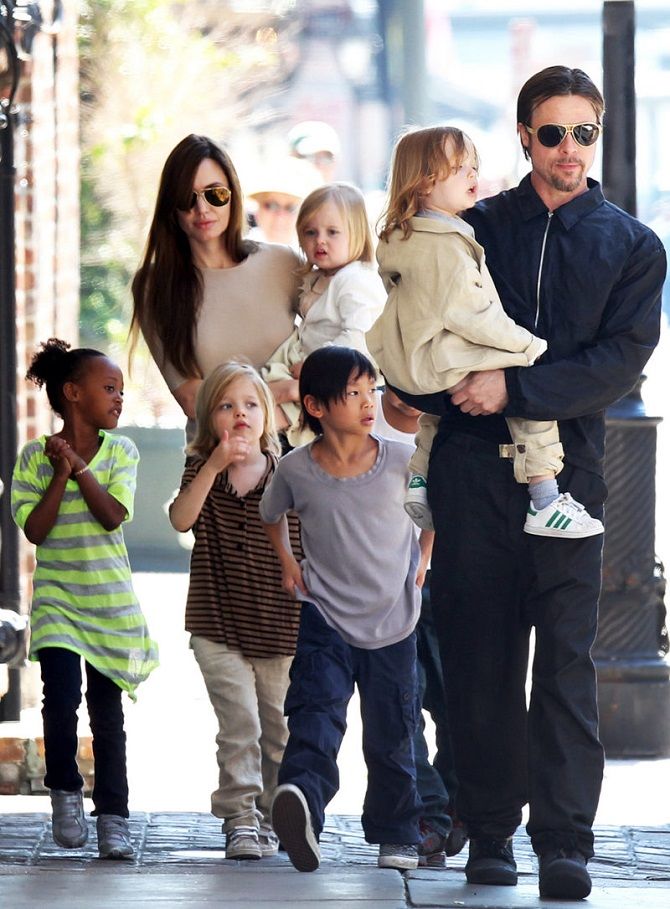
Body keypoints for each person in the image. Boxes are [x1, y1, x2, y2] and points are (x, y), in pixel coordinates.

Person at [388, 66, 666, 900]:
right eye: (553, 133)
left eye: (585, 133)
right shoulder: (476, 228)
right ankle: (491, 833)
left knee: (567, 668)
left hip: (570, 479)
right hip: (473, 475)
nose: (570, 150)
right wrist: (432, 394)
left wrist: (518, 389)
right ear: (524, 137)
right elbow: (422, 320)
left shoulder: (633, 245)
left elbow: (619, 364)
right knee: (480, 662)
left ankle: (564, 841)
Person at [368, 125, 603, 541]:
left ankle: (420, 477)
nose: (473, 176)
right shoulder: (443, 246)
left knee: (437, 412)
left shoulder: (407, 237)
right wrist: (527, 345)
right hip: (435, 358)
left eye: (474, 166)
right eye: (459, 169)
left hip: (412, 357)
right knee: (527, 384)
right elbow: (472, 313)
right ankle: (546, 497)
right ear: (424, 182)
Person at [259, 346, 432, 873]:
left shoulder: (403, 460)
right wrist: (289, 564)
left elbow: (432, 513)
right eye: (353, 393)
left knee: (392, 733)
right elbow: (271, 513)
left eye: (370, 391)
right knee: (314, 714)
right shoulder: (295, 470)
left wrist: (423, 560)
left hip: (394, 620)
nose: (367, 402)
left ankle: (397, 833)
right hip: (324, 616)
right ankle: (302, 806)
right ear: (315, 405)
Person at [10, 339, 159, 859]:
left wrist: (79, 466)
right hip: (57, 604)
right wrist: (59, 471)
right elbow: (36, 530)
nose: (119, 398)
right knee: (60, 700)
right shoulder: (33, 457)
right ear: (73, 393)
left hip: (108, 604)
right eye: (109, 388)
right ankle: (65, 793)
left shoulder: (123, 452)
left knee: (107, 712)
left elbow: (112, 515)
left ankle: (113, 816)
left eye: (121, 389)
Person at [169, 361, 302, 861]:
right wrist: (214, 464)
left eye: (250, 404)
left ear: (267, 415)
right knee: (240, 725)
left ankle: (273, 816)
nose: (239, 414)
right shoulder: (200, 467)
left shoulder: (288, 470)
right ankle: (240, 818)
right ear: (209, 419)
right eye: (226, 405)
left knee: (279, 731)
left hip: (278, 622)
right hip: (216, 622)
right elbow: (182, 518)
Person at [129, 134, 303, 446]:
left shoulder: (283, 263)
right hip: (215, 458)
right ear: (172, 208)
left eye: (215, 194)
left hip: (296, 451)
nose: (202, 209)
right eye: (187, 198)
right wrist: (285, 391)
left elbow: (333, 340)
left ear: (233, 195)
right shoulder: (155, 285)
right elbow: (190, 397)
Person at [374, 388, 467, 868]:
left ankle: (455, 802)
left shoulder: (459, 411)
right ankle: (427, 815)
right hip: (387, 586)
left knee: (457, 704)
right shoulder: (363, 409)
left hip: (449, 576)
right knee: (403, 702)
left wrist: (428, 555)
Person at [262, 183, 386, 447]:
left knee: (265, 419)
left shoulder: (356, 279)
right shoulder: (319, 278)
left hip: (340, 376)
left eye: (332, 232)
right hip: (304, 365)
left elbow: (360, 338)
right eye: (310, 232)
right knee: (257, 394)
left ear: (356, 234)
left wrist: (314, 367)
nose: (320, 240)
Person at [245, 156, 323, 247]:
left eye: (292, 208)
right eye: (271, 206)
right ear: (257, 212)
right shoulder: (238, 254)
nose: (280, 216)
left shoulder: (315, 255)